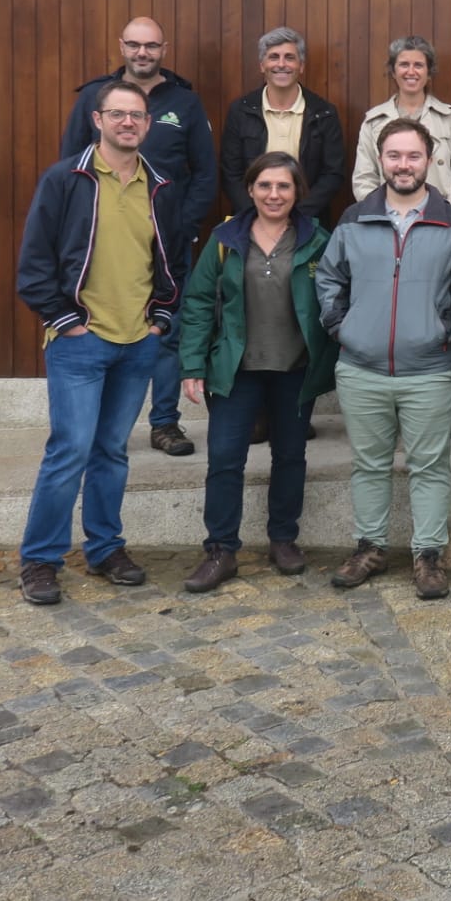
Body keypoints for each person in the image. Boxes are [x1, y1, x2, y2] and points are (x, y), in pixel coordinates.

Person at [16, 80, 183, 605]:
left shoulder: (160, 186)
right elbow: (35, 264)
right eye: (118, 114)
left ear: (148, 124)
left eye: (137, 115)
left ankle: (105, 548)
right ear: (98, 119)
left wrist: (160, 319)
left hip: (138, 343)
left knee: (111, 451)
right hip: (80, 341)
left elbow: (172, 262)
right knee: (69, 452)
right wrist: (67, 320)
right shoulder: (66, 180)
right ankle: (40, 560)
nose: (127, 123)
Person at [316, 119, 451, 600]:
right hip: (361, 368)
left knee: (430, 465)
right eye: (394, 155)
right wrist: (342, 327)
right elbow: (328, 280)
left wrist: (442, 332)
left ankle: (428, 554)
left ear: (429, 160)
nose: (403, 165)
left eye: (412, 155)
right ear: (379, 159)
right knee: (369, 464)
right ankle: (369, 547)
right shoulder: (353, 219)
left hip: (428, 369)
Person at [175, 151, 337, 593]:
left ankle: (283, 540)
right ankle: (220, 550)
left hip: (295, 369)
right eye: (264, 185)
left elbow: (336, 300)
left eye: (283, 186)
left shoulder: (317, 240)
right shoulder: (225, 239)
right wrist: (192, 364)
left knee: (290, 457)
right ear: (250, 189)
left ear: (296, 192)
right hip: (236, 371)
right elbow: (197, 304)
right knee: (225, 460)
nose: (273, 194)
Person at [60, 18, 217, 460]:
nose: (142, 53)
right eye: (134, 45)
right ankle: (104, 422)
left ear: (164, 48)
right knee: (105, 326)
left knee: (167, 329)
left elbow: (205, 173)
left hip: (168, 242)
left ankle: (164, 422)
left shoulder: (185, 102)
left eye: (150, 46)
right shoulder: (94, 98)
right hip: (104, 241)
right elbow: (70, 167)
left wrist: (181, 226)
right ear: (121, 46)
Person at [220, 26, 347, 225]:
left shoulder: (324, 113)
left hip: (308, 222)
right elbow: (231, 173)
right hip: (251, 222)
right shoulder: (240, 111)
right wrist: (257, 216)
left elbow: (332, 174)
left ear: (301, 65)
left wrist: (298, 216)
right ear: (262, 65)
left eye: (289, 57)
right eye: (273, 57)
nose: (281, 64)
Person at [352, 35, 451, 217]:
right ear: (393, 71)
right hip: (387, 221)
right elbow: (364, 179)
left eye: (418, 65)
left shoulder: (450, 119)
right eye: (404, 64)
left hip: (443, 222)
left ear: (429, 73)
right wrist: (379, 217)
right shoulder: (373, 122)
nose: (411, 71)